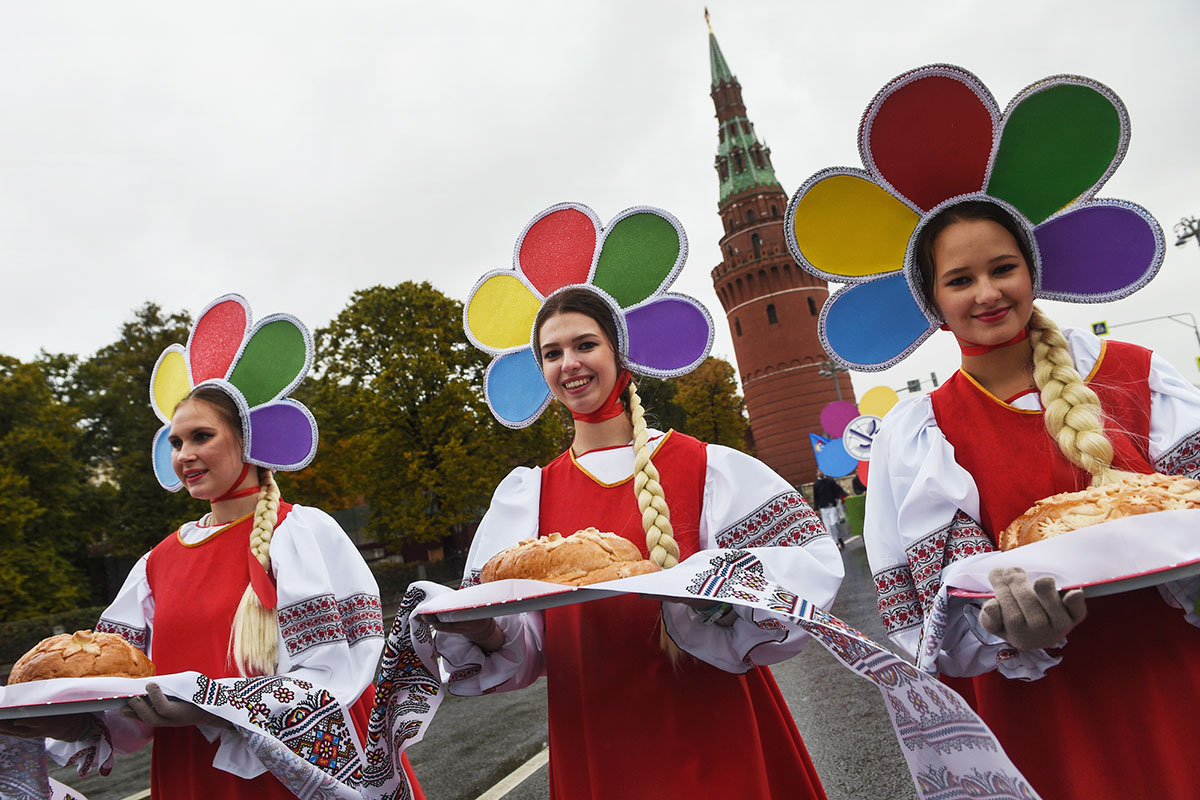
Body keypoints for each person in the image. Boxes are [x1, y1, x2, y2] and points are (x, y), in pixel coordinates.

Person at [783, 65, 1200, 799]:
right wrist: (1004, 629)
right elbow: (938, 630)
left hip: (1180, 675)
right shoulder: (924, 433)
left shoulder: (1140, 374)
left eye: (1002, 268)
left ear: (1030, 274)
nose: (986, 293)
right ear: (933, 302)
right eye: (960, 280)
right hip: (1046, 710)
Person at [444, 203, 843, 800]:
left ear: (620, 354)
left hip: (712, 720)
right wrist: (482, 631)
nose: (569, 364)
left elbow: (804, 571)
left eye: (585, 345)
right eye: (552, 353)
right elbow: (521, 643)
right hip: (596, 731)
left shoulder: (708, 467)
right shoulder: (527, 496)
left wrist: (721, 596)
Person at [0, 295, 423, 799]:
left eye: (201, 436)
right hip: (191, 775)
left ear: (246, 441)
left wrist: (209, 706)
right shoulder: (156, 563)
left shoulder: (304, 532)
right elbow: (126, 695)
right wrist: (73, 726)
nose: (186, 455)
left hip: (296, 774)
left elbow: (336, 672)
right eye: (176, 442)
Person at [811, 472, 848, 549]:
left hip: (832, 506)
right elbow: (816, 497)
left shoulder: (830, 481)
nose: (820, 473)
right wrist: (816, 508)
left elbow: (839, 489)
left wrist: (846, 495)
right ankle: (836, 542)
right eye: (818, 472)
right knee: (828, 527)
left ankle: (838, 539)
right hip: (823, 508)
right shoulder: (816, 485)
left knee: (834, 524)